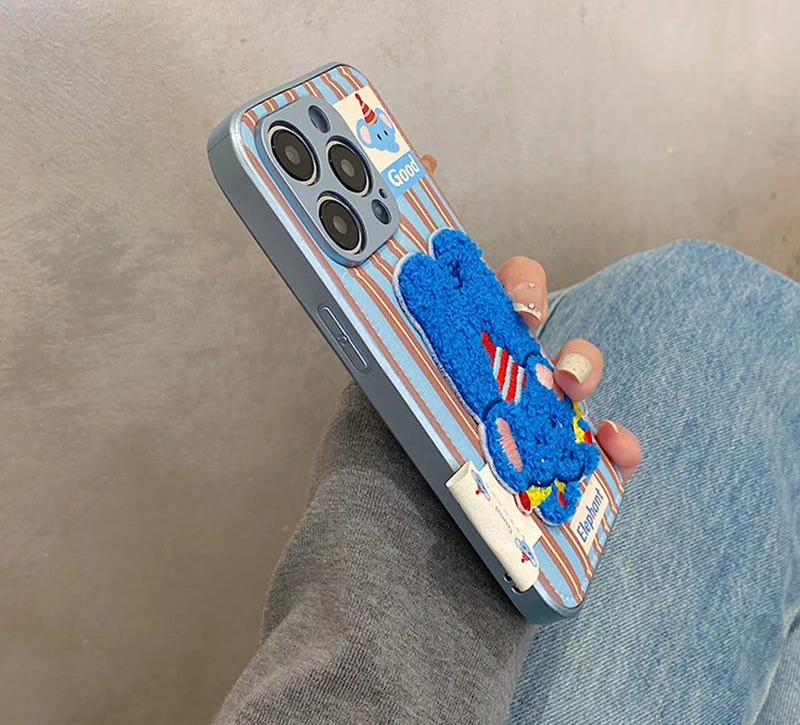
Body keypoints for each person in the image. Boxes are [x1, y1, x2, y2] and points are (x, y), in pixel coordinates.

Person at [212, 157, 800, 724]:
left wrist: (405, 423)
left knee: (694, 292)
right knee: (704, 294)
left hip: (485, 551)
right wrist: (423, 449)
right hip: (472, 600)